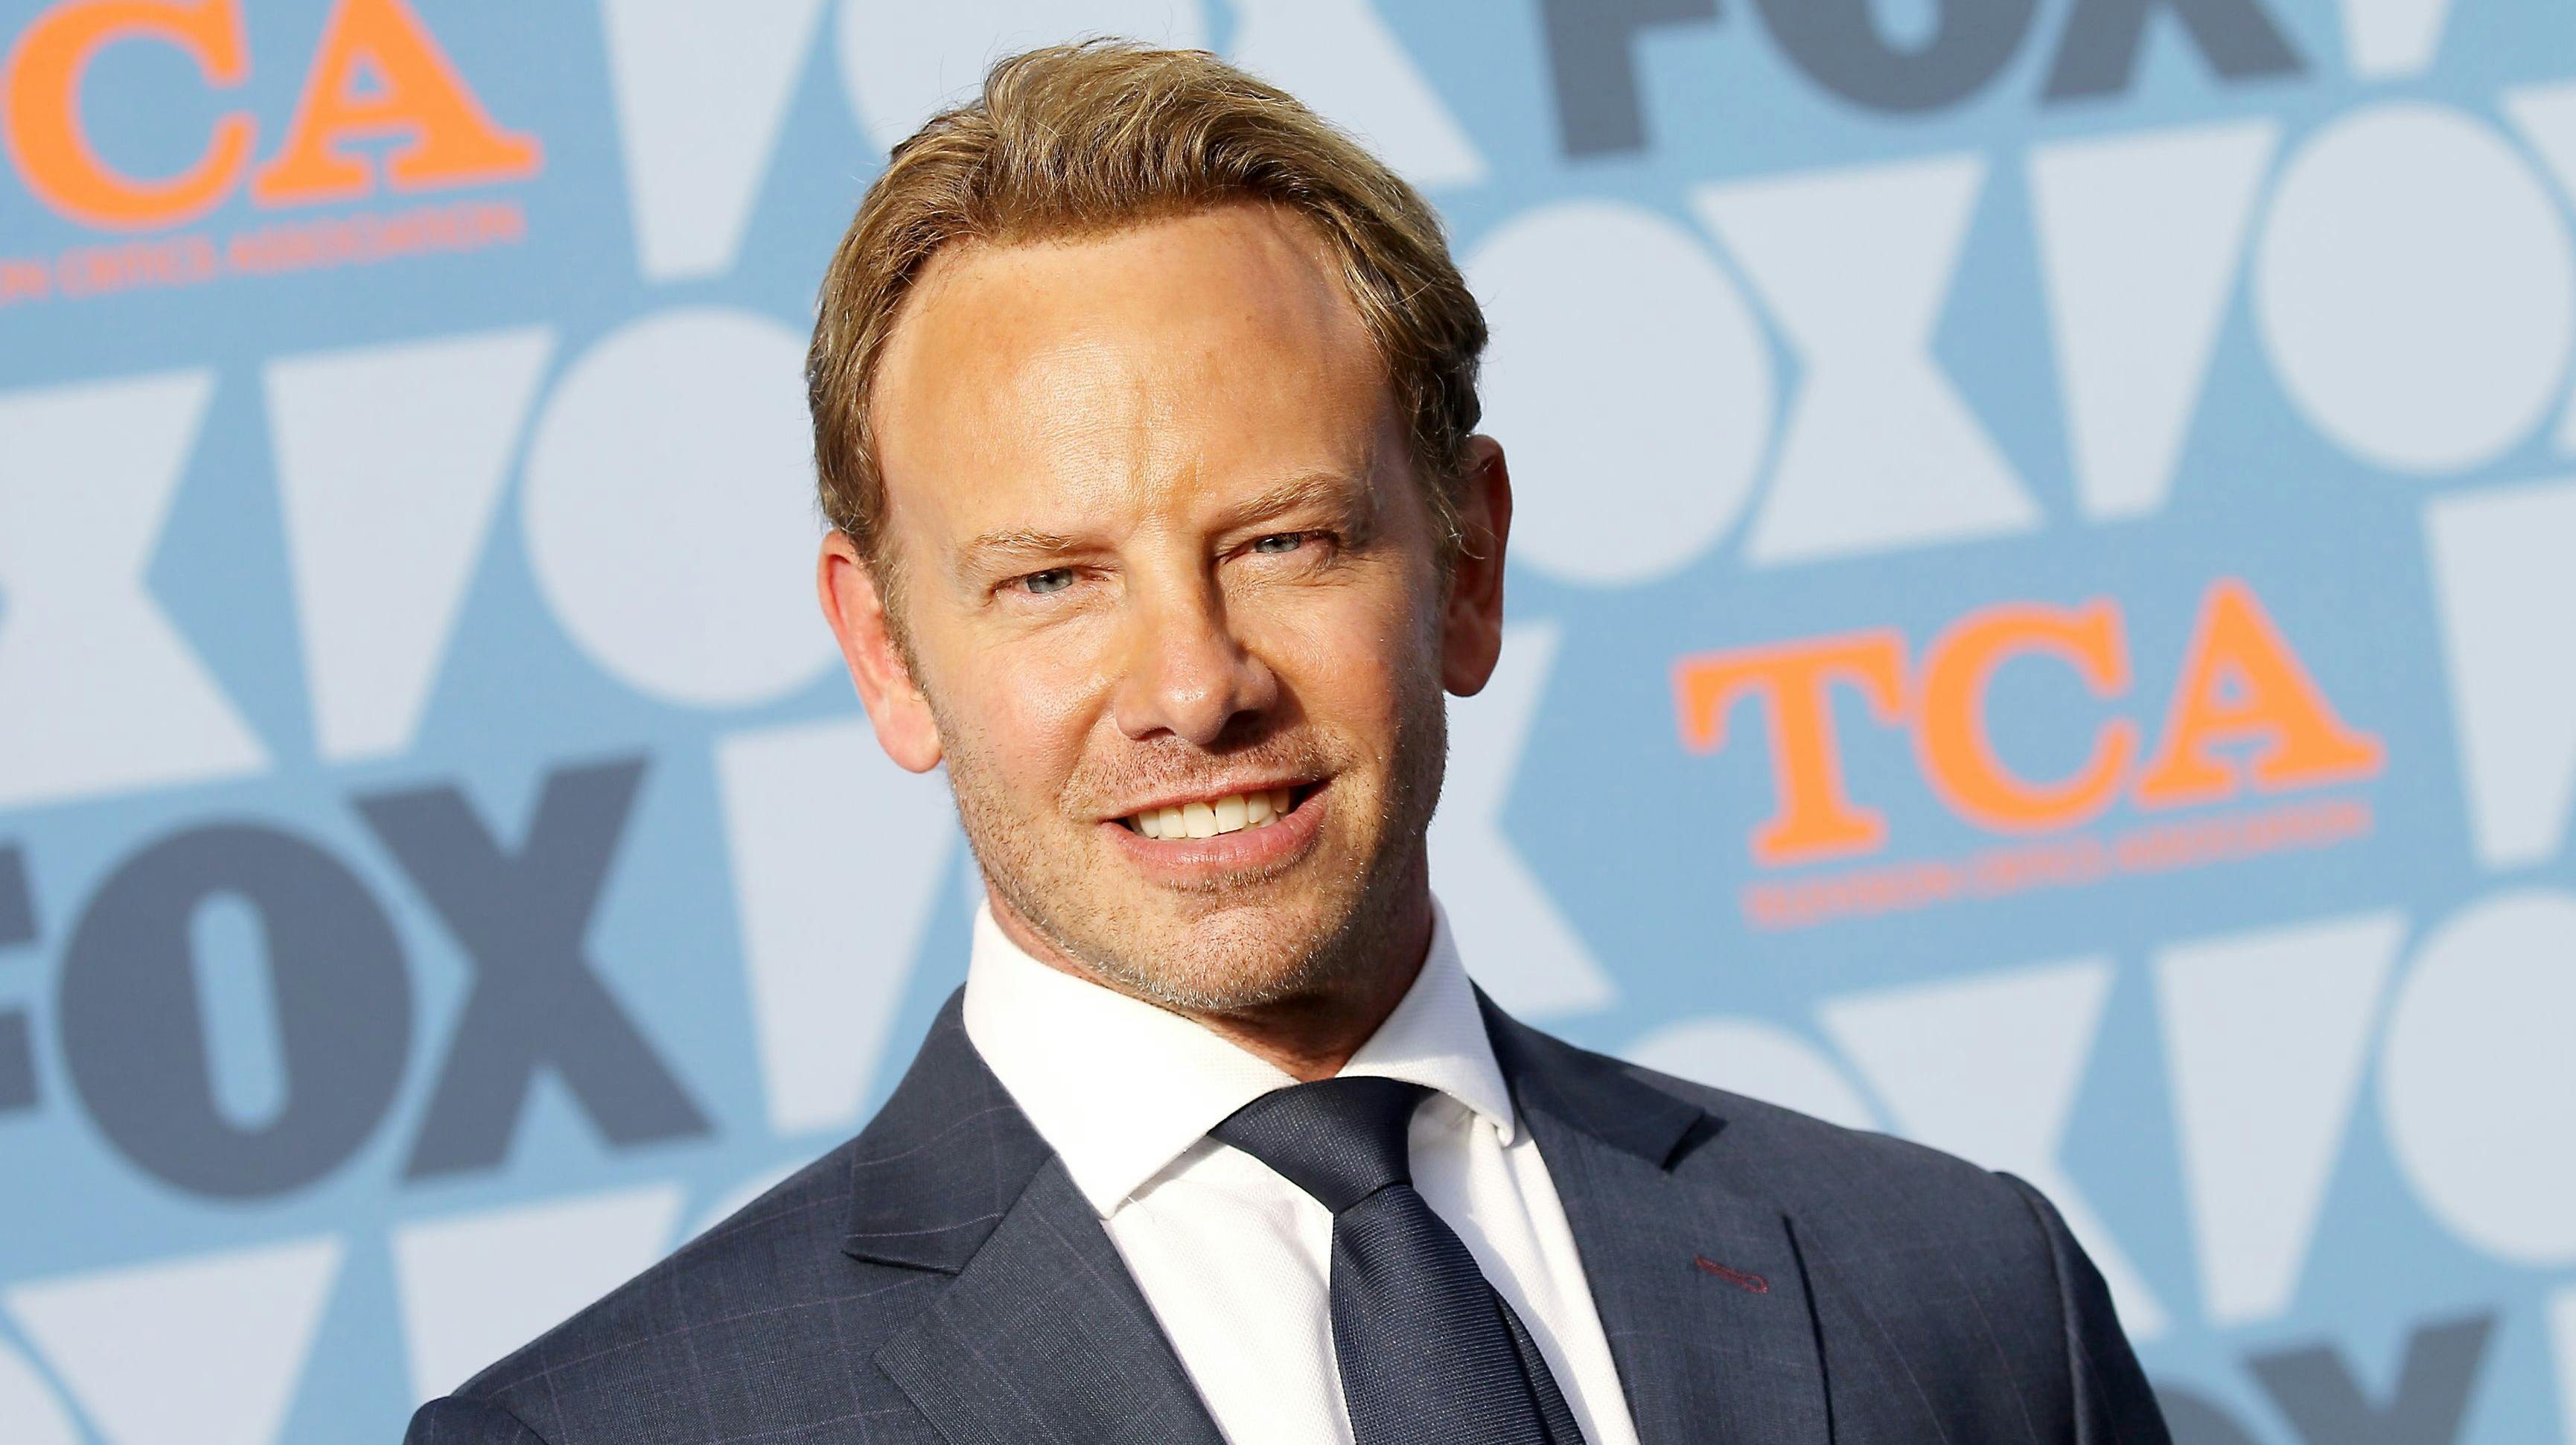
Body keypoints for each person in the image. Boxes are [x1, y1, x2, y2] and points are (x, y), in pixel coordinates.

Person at [407, 42, 2169, 1445]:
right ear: (885, 649)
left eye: (1284, 541)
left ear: (1465, 565)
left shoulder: (1954, 1287)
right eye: (1051, 579)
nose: (1192, 683)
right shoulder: (614, 1428)